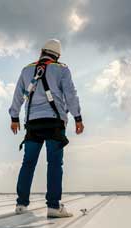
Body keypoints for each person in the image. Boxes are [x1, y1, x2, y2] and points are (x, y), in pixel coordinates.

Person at [8, 39, 84, 218]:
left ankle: (21, 204)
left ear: (42, 51)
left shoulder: (27, 70)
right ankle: (53, 206)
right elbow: (70, 94)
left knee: (28, 163)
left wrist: (14, 117)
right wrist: (78, 117)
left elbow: (18, 94)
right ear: (57, 56)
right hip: (54, 123)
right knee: (55, 163)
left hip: (33, 124)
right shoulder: (62, 69)